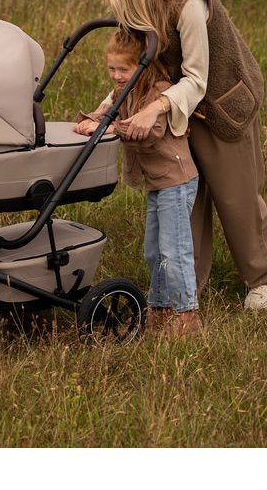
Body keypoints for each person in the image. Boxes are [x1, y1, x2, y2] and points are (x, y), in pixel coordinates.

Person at [87, 0, 267, 310]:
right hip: (178, 106)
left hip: (220, 104)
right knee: (184, 197)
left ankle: (266, 278)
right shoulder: (137, 10)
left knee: (236, 196)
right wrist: (107, 108)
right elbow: (139, 68)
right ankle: (185, 285)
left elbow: (197, 78)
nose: (107, 0)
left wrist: (154, 109)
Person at [74, 30, 202, 336]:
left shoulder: (159, 91)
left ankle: (187, 315)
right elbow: (108, 114)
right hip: (157, 182)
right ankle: (160, 307)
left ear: (142, 66)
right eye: (112, 68)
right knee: (153, 252)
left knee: (174, 251)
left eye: (123, 69)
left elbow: (150, 132)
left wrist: (110, 129)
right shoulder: (125, 91)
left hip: (176, 180)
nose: (116, 75)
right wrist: (91, 120)